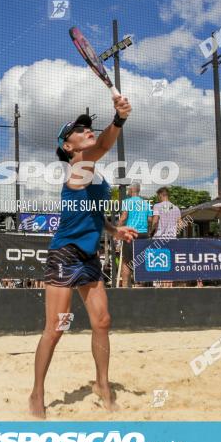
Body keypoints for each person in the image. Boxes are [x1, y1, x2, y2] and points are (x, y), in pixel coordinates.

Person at [30, 92, 135, 419]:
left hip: (89, 255)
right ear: (68, 146)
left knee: (102, 321)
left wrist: (113, 230)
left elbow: (91, 214)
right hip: (65, 254)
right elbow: (103, 145)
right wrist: (117, 119)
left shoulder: (95, 175)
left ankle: (102, 384)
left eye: (88, 127)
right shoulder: (78, 169)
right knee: (56, 328)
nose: (86, 130)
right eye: (79, 130)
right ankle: (37, 393)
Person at [119, 183, 154, 287]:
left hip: (131, 234)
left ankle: (125, 286)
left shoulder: (127, 202)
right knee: (142, 260)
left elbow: (124, 217)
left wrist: (117, 229)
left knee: (126, 261)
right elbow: (150, 220)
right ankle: (142, 286)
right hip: (143, 234)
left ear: (131, 190)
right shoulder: (146, 203)